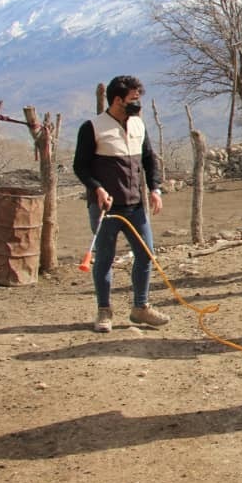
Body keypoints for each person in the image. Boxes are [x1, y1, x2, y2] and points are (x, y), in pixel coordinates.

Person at [73, 75, 169, 333]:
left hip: (135, 205)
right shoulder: (92, 127)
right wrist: (97, 188)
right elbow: (80, 167)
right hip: (105, 208)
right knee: (104, 258)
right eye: (133, 99)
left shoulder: (138, 126)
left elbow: (148, 160)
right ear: (117, 100)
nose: (138, 104)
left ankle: (141, 307)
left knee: (146, 254)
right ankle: (104, 311)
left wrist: (155, 189)